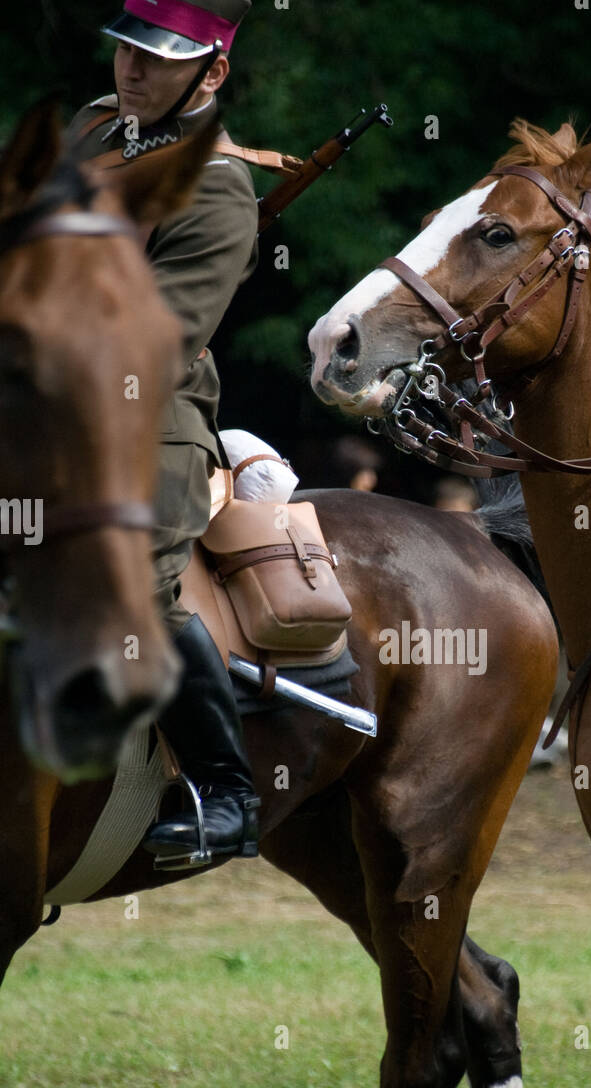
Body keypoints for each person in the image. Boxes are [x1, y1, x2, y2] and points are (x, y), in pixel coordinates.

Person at [67, 0, 262, 866]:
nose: (130, 69)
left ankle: (229, 793)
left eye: (156, 56)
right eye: (124, 49)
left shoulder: (220, 191)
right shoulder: (94, 129)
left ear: (211, 74)